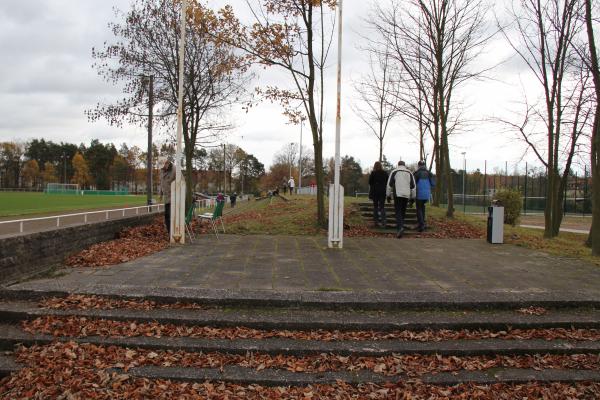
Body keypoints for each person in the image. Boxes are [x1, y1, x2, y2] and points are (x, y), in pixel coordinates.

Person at [386, 160, 416, 238]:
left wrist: (388, 196)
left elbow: (389, 185)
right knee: (403, 211)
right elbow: (413, 187)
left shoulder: (394, 172)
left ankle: (400, 228)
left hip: (397, 194)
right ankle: (400, 227)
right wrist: (413, 198)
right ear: (404, 165)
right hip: (406, 195)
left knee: (398, 211)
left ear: (398, 165)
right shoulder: (409, 173)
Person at [413, 160, 435, 232]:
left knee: (419, 208)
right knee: (422, 207)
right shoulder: (429, 173)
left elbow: (413, 184)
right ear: (424, 165)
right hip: (427, 195)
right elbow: (433, 184)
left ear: (419, 165)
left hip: (419, 194)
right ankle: (423, 223)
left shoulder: (416, 173)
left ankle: (421, 225)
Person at [368, 161, 389, 227]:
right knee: (382, 206)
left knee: (375, 206)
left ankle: (376, 221)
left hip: (375, 192)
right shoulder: (385, 173)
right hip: (382, 191)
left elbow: (370, 182)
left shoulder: (373, 173)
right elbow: (387, 182)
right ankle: (383, 221)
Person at [159, 157, 176, 236]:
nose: (162, 167)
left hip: (174, 197)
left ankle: (172, 233)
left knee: (170, 216)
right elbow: (161, 183)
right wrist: (160, 194)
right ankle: (170, 233)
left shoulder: (175, 170)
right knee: (166, 216)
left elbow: (180, 183)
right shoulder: (162, 171)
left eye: (163, 165)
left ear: (167, 163)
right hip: (167, 197)